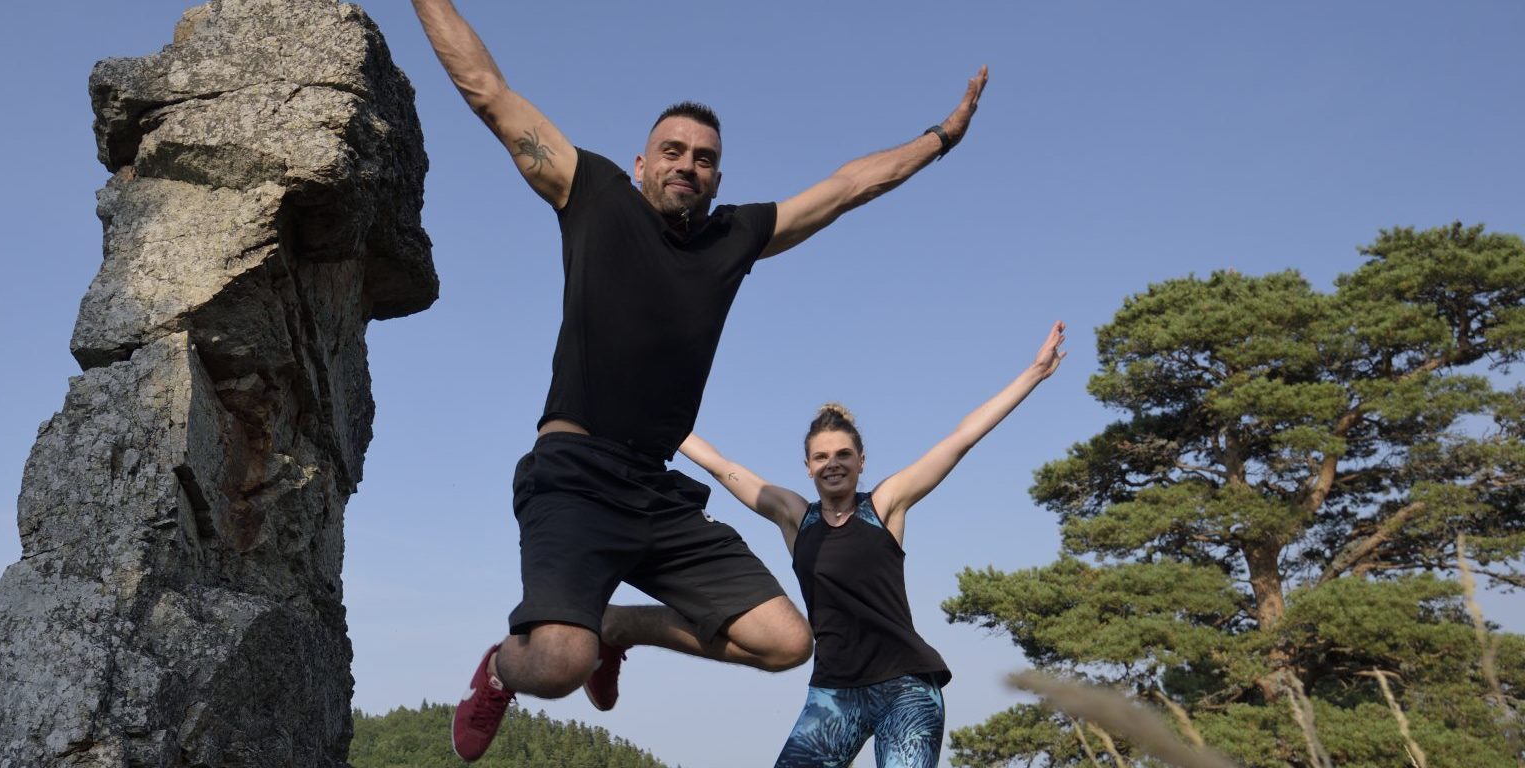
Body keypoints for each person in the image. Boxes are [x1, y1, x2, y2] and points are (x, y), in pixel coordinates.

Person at [407, 1, 990, 760]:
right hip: (575, 475)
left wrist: (942, 137)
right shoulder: (593, 194)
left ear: (717, 177)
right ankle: (499, 669)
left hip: (656, 490)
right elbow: (488, 91)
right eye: (672, 150)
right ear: (641, 163)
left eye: (704, 157)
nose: (687, 164)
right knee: (556, 663)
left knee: (787, 642)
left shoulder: (733, 236)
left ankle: (618, 629)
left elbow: (848, 187)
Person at [676, 321, 1066, 768]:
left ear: (861, 461)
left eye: (843, 454)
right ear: (807, 467)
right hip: (834, 692)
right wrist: (657, 419)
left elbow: (960, 440)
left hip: (906, 688)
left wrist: (1034, 373)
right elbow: (721, 466)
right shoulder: (795, 517)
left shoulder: (884, 505)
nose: (833, 464)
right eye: (821, 457)